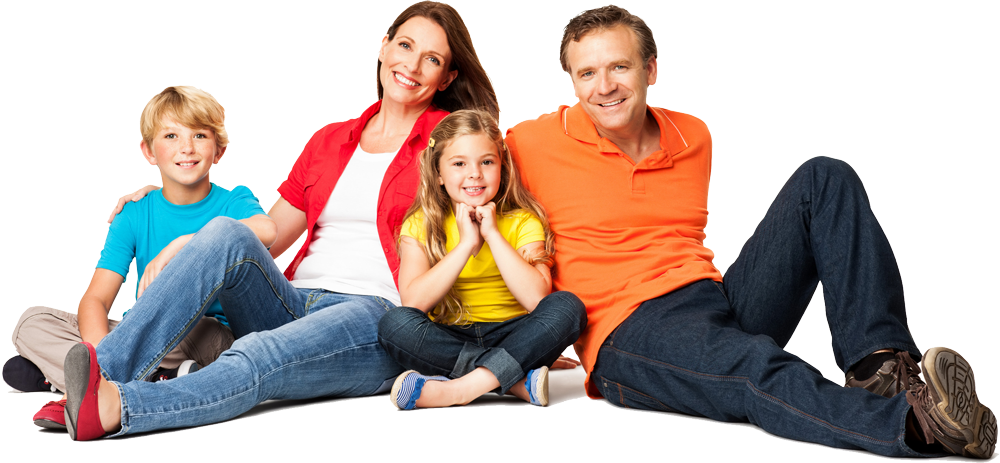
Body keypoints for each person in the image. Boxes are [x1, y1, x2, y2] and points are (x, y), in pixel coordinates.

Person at [505, 5, 995, 459]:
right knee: (754, 367)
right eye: (586, 73)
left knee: (825, 176)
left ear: (650, 69)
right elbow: (452, 175)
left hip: (714, 301)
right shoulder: (532, 143)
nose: (604, 86)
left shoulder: (691, 134)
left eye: (619, 67)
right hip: (625, 332)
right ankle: (916, 425)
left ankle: (881, 369)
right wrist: (496, 351)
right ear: (571, 81)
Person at [58, 1, 502, 441]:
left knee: (256, 352)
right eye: (404, 45)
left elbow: (499, 198)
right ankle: (95, 383)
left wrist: (514, 342)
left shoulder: (451, 143)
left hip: (376, 315)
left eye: (432, 59)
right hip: (294, 299)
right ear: (383, 47)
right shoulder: (330, 140)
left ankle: (121, 406)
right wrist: (163, 206)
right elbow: (264, 237)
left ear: (447, 77)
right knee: (226, 233)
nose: (413, 65)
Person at [5, 85, 274, 429]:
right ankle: (149, 378)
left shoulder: (234, 200)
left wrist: (189, 241)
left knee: (202, 330)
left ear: (219, 150)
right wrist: (102, 354)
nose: (187, 148)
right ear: (149, 151)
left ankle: (73, 381)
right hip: (140, 332)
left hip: (205, 336)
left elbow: (267, 229)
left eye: (200, 135)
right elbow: (96, 299)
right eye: (172, 135)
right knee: (31, 322)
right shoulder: (134, 213)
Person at [377, 110, 586, 410]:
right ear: (438, 174)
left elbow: (537, 299)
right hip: (451, 335)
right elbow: (414, 303)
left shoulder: (523, 221)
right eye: (459, 163)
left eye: (486, 162)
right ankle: (511, 379)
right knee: (394, 324)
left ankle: (459, 390)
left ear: (502, 167)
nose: (475, 173)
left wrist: (492, 234)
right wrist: (466, 245)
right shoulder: (421, 223)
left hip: (515, 331)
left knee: (568, 307)